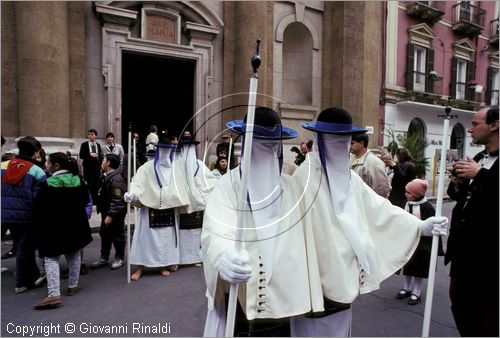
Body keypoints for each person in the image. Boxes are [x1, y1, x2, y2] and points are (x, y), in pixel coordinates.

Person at [289, 107, 448, 336]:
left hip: (344, 277)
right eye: (335, 140)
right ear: (320, 140)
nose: (342, 147)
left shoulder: (348, 177)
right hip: (313, 279)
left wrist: (419, 226)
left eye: (346, 141)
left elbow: (377, 208)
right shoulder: (304, 178)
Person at [201, 107, 307, 336]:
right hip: (239, 300)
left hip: (283, 304)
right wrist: (223, 258)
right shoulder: (227, 186)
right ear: (247, 145)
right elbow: (215, 230)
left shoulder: (290, 187)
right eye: (261, 143)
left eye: (273, 144)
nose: (268, 150)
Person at [125, 136, 215, 280]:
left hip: (169, 210)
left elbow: (189, 185)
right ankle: (140, 268)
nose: (166, 154)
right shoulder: (147, 168)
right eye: (163, 150)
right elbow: (138, 183)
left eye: (169, 151)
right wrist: (133, 195)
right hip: (149, 209)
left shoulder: (177, 168)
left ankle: (163, 265)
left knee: (165, 241)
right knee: (144, 240)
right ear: (159, 151)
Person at [445, 106, 499, 337]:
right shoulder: (478, 158)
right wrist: (457, 183)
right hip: (463, 253)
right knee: (461, 306)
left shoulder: (481, 167)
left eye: (475, 124)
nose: (469, 129)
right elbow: (462, 196)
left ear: (494, 125)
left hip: (490, 257)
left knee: (488, 318)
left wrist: (480, 175)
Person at [34, 152, 93, 309]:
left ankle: (53, 294)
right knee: (74, 254)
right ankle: (72, 286)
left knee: (51, 257)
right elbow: (86, 199)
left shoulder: (48, 184)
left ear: (56, 166)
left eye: (48, 162)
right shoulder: (78, 180)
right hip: (75, 225)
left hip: (54, 227)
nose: (47, 165)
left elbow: (38, 206)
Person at [1, 136, 46, 293]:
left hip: (4, 213)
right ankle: (21, 282)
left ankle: (33, 276)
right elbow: (40, 197)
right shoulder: (37, 171)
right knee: (25, 248)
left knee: (22, 245)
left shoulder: (3, 165)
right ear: (35, 153)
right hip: (26, 216)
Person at [395, 179, 438, 306]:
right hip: (408, 241)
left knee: (419, 269)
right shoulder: (406, 203)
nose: (405, 194)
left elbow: (431, 227)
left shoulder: (427, 207)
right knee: (407, 266)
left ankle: (416, 291)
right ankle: (406, 288)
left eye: (408, 192)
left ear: (417, 194)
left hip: (422, 244)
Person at [91, 154, 127, 270]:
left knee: (117, 235)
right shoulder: (106, 176)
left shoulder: (116, 179)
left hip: (115, 213)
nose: (102, 162)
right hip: (106, 212)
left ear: (109, 163)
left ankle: (119, 258)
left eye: (104, 160)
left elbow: (118, 199)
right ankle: (104, 257)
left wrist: (111, 214)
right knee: (105, 235)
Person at [350, 133, 391, 198]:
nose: (349, 146)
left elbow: (382, 190)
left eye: (352, 143)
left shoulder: (374, 163)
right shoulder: (350, 158)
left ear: (361, 143)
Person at [79, 129, 103, 204]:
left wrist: (98, 156)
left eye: (92, 134)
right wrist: (90, 155)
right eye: (89, 134)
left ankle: (95, 200)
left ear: (95, 136)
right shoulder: (84, 144)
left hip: (96, 167)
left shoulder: (98, 145)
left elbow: (101, 156)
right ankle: (89, 200)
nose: (90, 136)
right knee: (88, 183)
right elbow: (81, 155)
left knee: (96, 184)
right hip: (88, 167)